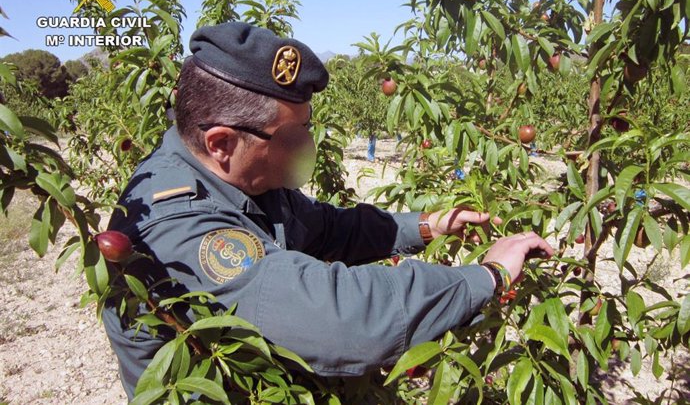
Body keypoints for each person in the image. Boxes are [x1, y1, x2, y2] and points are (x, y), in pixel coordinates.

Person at [102, 22, 554, 399]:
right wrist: (487, 276)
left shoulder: (245, 181)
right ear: (222, 142)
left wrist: (427, 225)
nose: (306, 148)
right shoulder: (175, 221)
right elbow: (339, 317)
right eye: (293, 137)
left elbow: (326, 227)